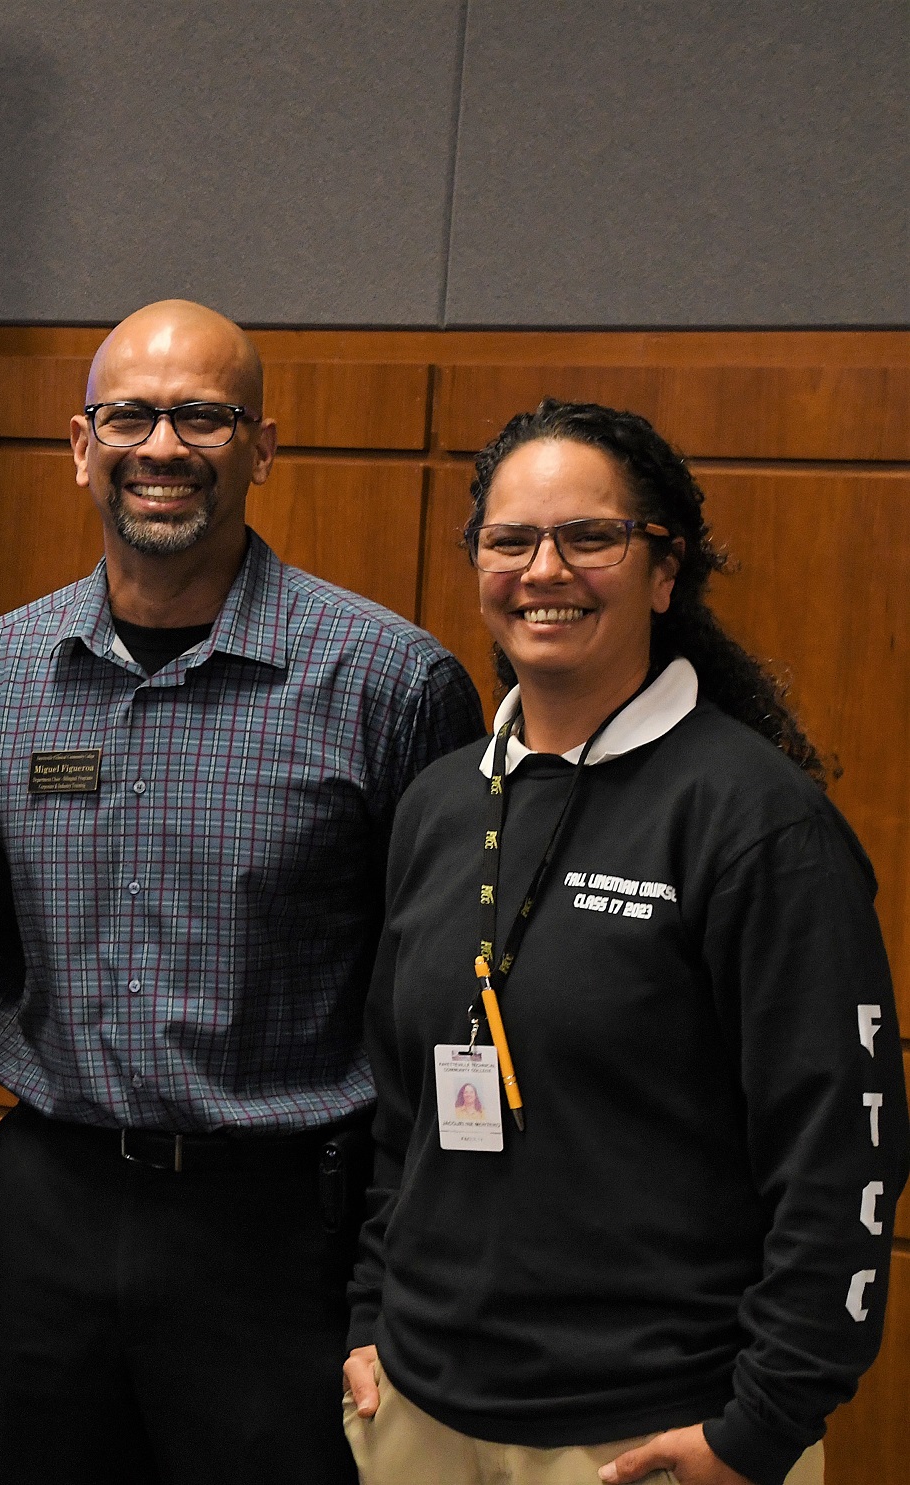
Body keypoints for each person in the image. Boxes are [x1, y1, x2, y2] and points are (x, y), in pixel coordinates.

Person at [0, 299, 484, 1482]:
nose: (161, 447)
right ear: (79, 444)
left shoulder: (388, 683)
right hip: (49, 1205)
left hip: (278, 1232)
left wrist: (394, 1271)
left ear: (261, 446)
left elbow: (440, 992)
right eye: (128, 416)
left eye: (201, 417)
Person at [342, 400, 908, 1485]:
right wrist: (371, 1314)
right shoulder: (439, 805)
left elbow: (842, 1150)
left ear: (663, 570)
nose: (542, 571)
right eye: (509, 541)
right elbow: (401, 1112)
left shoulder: (754, 819)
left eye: (588, 537)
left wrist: (762, 1426)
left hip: (651, 1434)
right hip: (417, 1414)